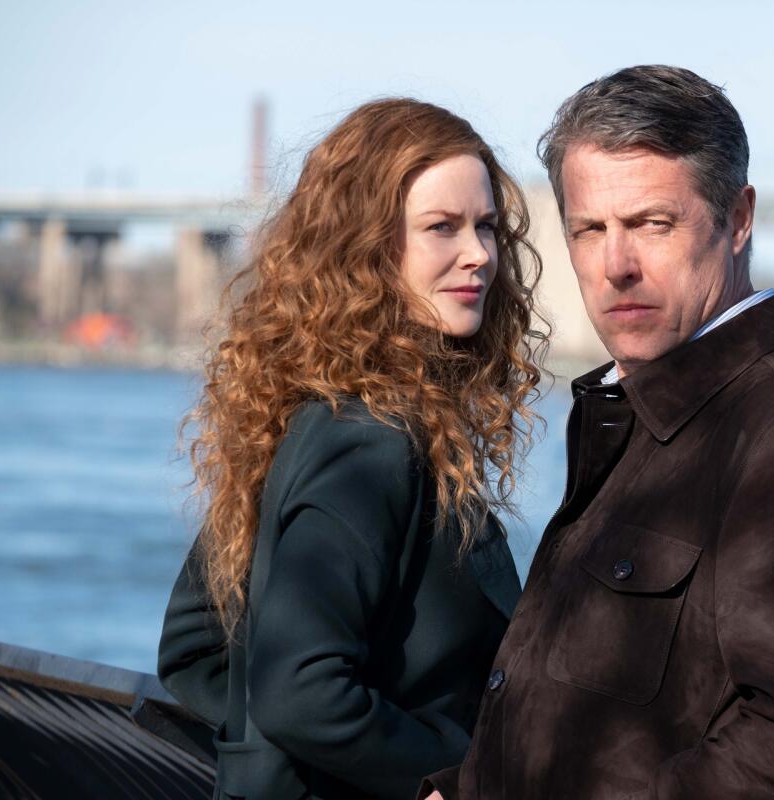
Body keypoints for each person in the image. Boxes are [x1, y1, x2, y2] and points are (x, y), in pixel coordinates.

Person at [422, 65, 774, 800]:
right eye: (589, 230)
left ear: (737, 219)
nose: (616, 267)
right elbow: (594, 725)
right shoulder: (640, 411)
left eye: (651, 224)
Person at [157, 98, 545, 800]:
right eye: (442, 228)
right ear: (366, 249)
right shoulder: (368, 442)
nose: (480, 254)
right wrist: (437, 775)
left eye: (487, 226)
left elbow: (196, 648)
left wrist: (263, 758)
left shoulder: (312, 412)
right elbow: (299, 690)